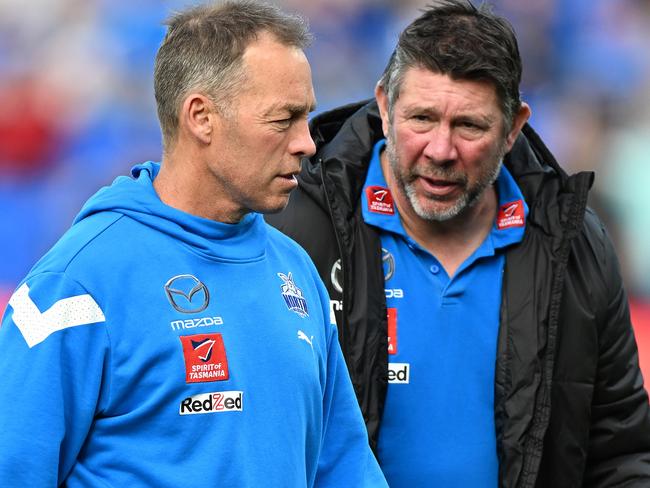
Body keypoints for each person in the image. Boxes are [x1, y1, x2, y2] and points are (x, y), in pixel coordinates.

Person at [0, 2, 387, 487]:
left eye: (306, 117)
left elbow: (344, 467)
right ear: (201, 117)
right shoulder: (75, 285)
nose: (307, 143)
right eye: (283, 119)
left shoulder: (297, 269)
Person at [266, 0, 650, 486]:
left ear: (513, 127)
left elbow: (621, 452)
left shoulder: (573, 241)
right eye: (421, 119)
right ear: (384, 106)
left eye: (469, 125)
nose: (441, 150)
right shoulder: (296, 229)